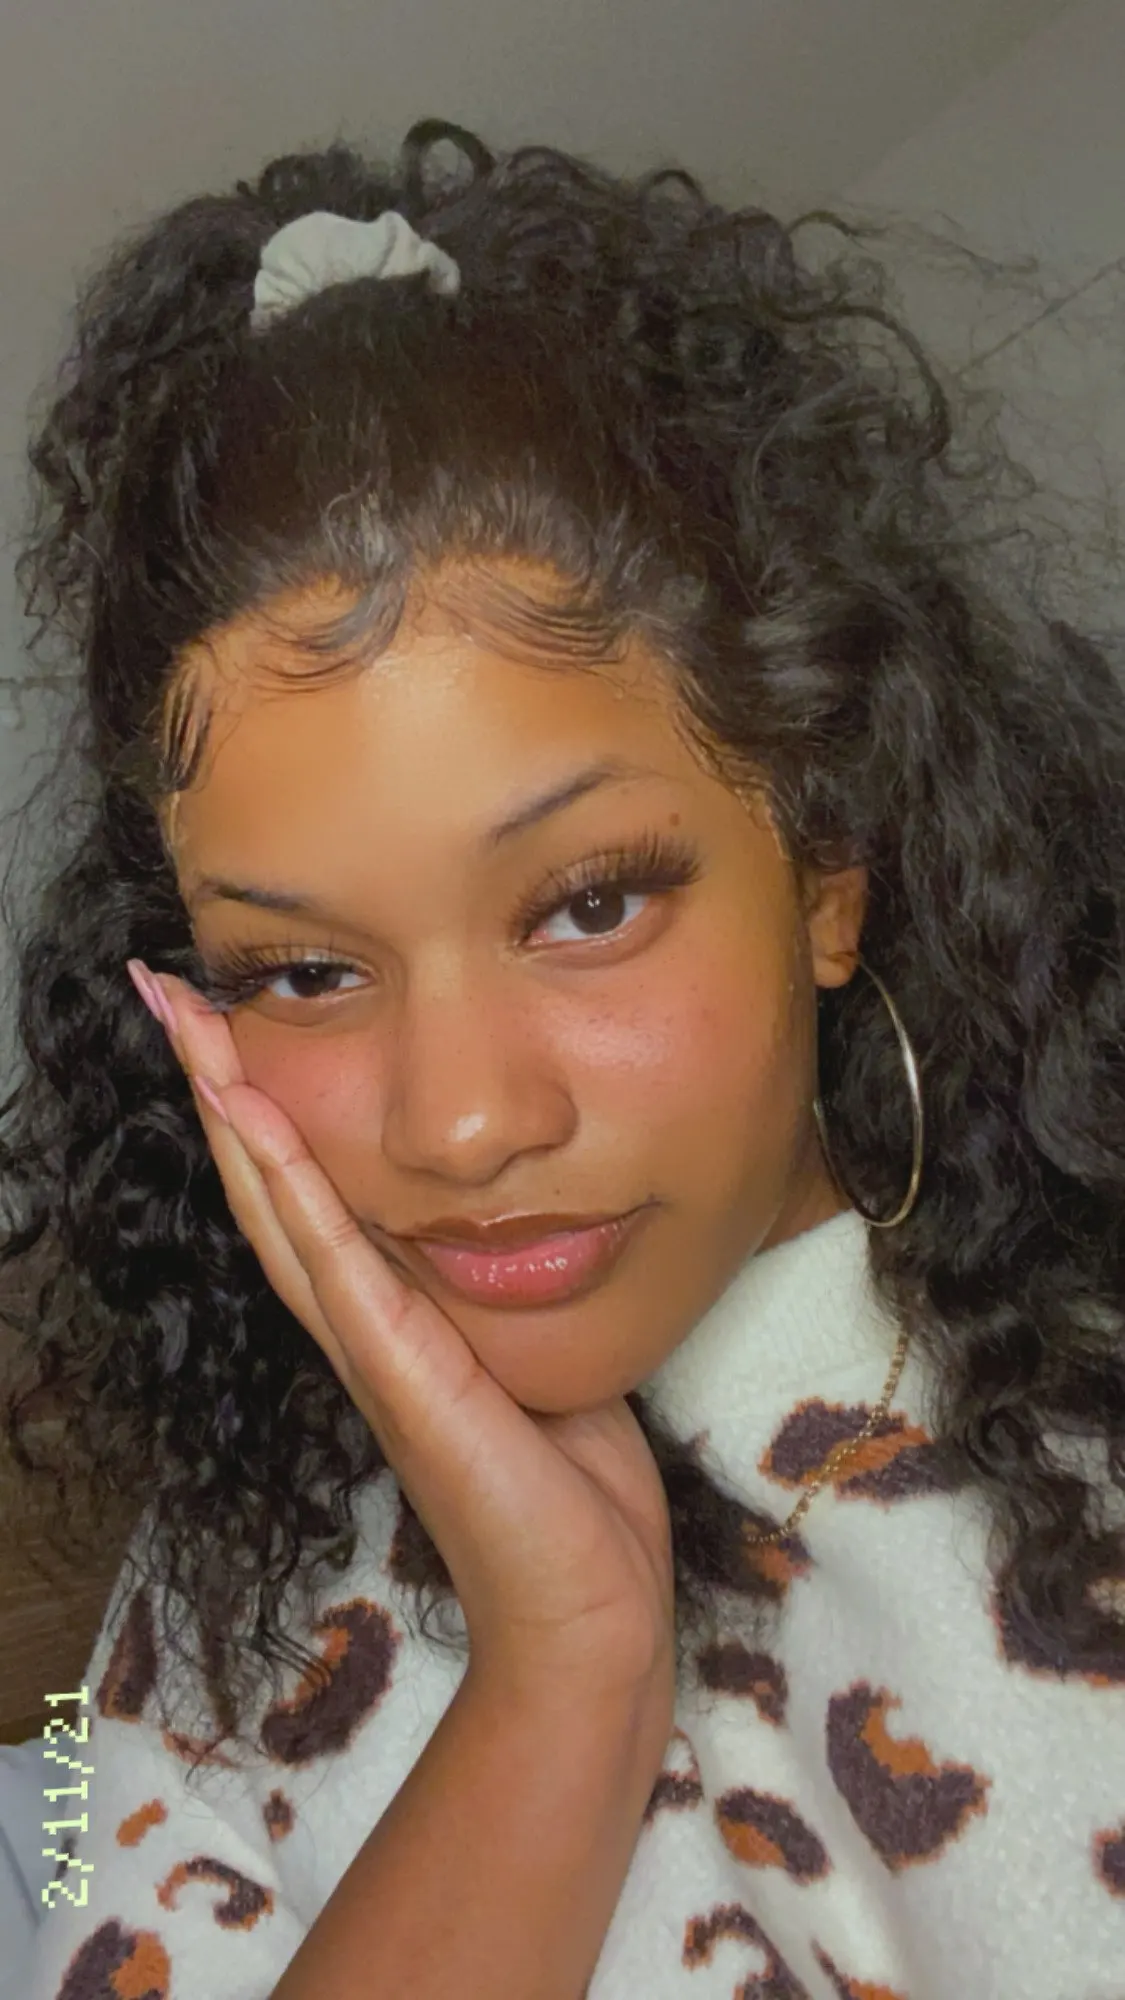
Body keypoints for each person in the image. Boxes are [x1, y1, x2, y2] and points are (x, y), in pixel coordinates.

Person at [1, 114, 1123, 2000]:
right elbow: (65, 1864)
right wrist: (564, 1668)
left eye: (588, 904)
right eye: (301, 969)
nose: (460, 1122)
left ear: (828, 869)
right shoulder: (205, 1597)